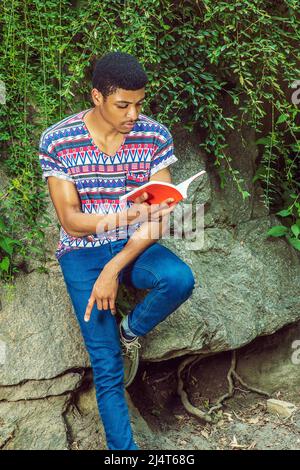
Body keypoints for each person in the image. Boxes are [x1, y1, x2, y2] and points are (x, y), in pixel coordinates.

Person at [38, 51, 195, 450]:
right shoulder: (58, 140)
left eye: (140, 103)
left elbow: (159, 219)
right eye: (123, 104)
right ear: (97, 97)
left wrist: (114, 268)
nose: (134, 114)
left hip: (133, 248)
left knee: (179, 279)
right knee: (106, 366)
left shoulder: (154, 135)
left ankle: (130, 332)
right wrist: (133, 213)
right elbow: (72, 221)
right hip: (82, 251)